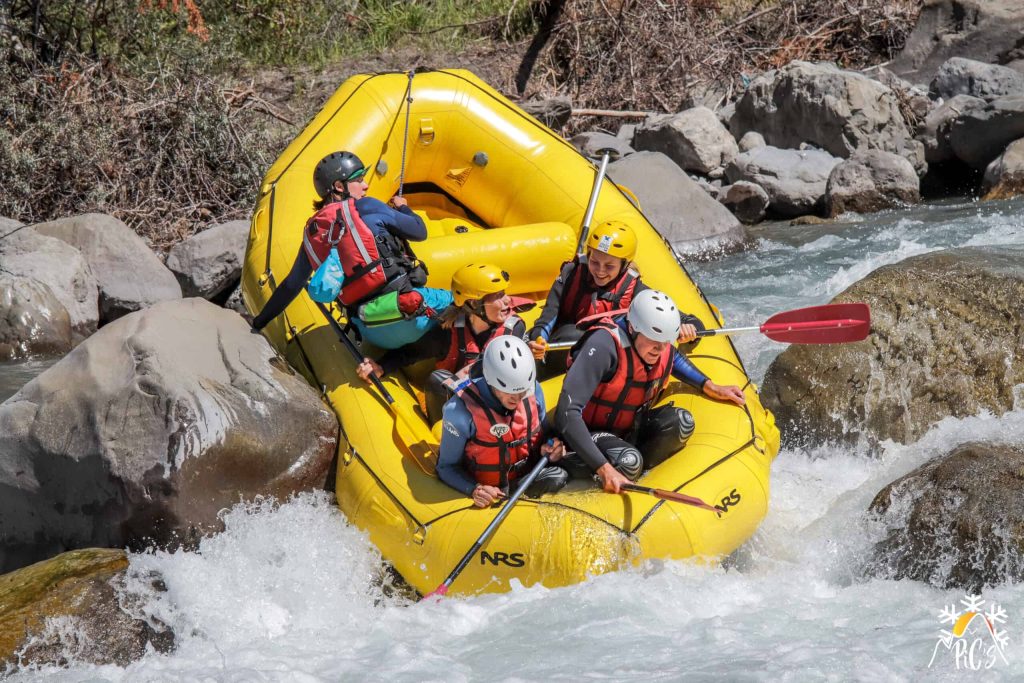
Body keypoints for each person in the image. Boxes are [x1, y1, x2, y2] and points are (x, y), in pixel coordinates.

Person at [250, 150, 453, 348]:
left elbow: (290, 287)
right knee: (468, 301)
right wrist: (402, 207)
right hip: (409, 310)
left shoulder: (313, 236)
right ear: (339, 186)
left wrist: (259, 322)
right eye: (359, 179)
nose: (365, 185)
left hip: (371, 330)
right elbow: (419, 231)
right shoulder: (366, 206)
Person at [551, 289, 746, 494]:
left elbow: (674, 359)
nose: (660, 349)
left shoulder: (659, 345)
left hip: (628, 431)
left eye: (665, 342)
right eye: (653, 340)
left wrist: (710, 385)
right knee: (629, 460)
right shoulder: (604, 345)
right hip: (590, 433)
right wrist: (604, 468)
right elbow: (567, 413)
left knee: (682, 422)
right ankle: (577, 464)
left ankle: (635, 470)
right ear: (633, 328)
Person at [356, 263, 533, 423]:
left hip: (501, 404)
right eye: (499, 296)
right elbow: (409, 353)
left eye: (505, 294)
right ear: (474, 303)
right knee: (437, 382)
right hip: (460, 410)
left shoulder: (513, 330)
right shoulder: (448, 334)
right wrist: (381, 367)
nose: (507, 300)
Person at [437, 336, 568, 507]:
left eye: (522, 391)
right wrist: (475, 489)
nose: (518, 398)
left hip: (527, 476)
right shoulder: (459, 411)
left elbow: (546, 434)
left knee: (560, 474)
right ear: (490, 379)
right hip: (490, 489)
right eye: (509, 392)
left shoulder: (533, 390)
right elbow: (446, 467)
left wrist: (552, 444)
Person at [529, 220, 650, 359]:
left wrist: (682, 323)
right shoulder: (571, 273)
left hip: (605, 355)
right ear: (588, 256)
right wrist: (538, 338)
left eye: (609, 266)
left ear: (624, 266)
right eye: (594, 262)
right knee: (570, 333)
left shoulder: (634, 288)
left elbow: (669, 311)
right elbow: (548, 316)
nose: (600, 271)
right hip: (563, 346)